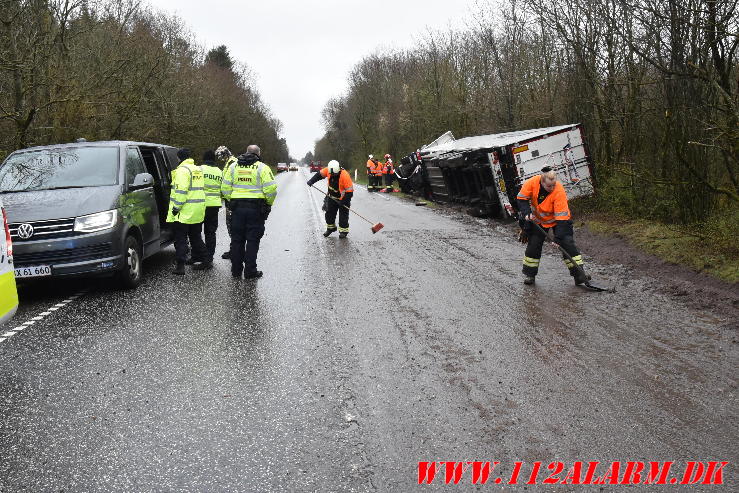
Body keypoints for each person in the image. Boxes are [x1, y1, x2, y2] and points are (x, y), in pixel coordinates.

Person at [516, 167, 588, 285]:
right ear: (542, 182)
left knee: (567, 243)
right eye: (549, 186)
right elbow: (521, 199)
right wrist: (526, 213)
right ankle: (530, 275)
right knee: (534, 245)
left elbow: (562, 218)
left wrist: (558, 238)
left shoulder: (559, 190)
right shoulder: (532, 183)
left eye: (554, 185)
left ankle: (579, 275)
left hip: (557, 221)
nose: (552, 188)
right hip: (538, 220)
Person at [220, 144, 277, 279]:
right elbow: (271, 189)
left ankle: (236, 271)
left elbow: (224, 187)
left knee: (237, 240)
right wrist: (268, 204)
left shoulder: (233, 167)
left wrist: (231, 201)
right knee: (252, 240)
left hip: (237, 209)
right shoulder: (263, 168)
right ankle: (250, 271)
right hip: (255, 209)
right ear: (258, 154)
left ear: (246, 152)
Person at [167, 148, 207, 275]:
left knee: (180, 239)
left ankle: (180, 266)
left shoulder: (182, 171)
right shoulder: (197, 169)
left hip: (184, 211)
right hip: (197, 209)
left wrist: (175, 209)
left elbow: (181, 192)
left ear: (179, 158)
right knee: (196, 237)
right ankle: (206, 260)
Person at [306, 159, 354, 238]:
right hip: (331, 197)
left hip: (344, 198)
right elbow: (319, 175)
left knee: (343, 217)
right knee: (329, 214)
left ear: (338, 170)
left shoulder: (345, 176)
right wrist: (311, 181)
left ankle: (343, 232)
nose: (333, 175)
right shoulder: (328, 170)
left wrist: (343, 201)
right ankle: (331, 228)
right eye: (332, 174)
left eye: (334, 174)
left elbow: (350, 192)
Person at [200, 149, 222, 268]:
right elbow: (223, 189)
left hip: (200, 204)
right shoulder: (220, 172)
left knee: (196, 232)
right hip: (214, 205)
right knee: (210, 232)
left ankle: (199, 255)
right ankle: (209, 257)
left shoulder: (200, 169)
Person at [215, 145, 238, 259]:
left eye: (220, 156)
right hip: (230, 199)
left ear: (225, 154)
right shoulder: (230, 162)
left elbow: (229, 183)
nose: (220, 159)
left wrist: (229, 200)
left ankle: (235, 251)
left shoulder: (232, 163)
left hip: (231, 200)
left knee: (232, 225)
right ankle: (234, 249)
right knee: (231, 225)